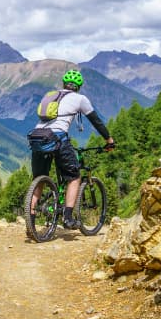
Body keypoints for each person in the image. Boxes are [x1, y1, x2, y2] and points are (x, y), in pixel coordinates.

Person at [28, 69, 114, 229]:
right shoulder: (80, 99)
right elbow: (96, 121)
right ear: (79, 86)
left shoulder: (50, 95)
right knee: (74, 177)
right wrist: (109, 139)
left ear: (63, 84)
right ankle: (67, 218)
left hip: (38, 136)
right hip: (58, 138)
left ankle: (30, 222)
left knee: (38, 179)